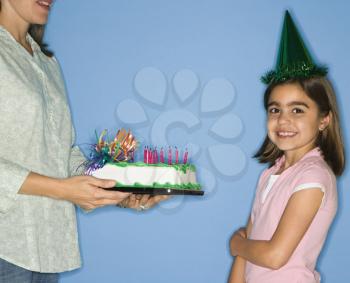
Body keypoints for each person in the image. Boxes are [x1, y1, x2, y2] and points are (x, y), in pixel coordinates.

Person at [0, 1, 167, 282]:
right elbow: (61, 184)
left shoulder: (47, 63)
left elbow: (61, 155)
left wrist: (117, 187)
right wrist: (62, 190)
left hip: (47, 249)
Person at [228, 11, 345, 283]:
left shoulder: (313, 176)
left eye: (298, 110)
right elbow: (247, 252)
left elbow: (274, 256)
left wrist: (236, 246)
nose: (283, 120)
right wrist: (241, 250)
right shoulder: (271, 174)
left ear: (324, 119)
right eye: (275, 109)